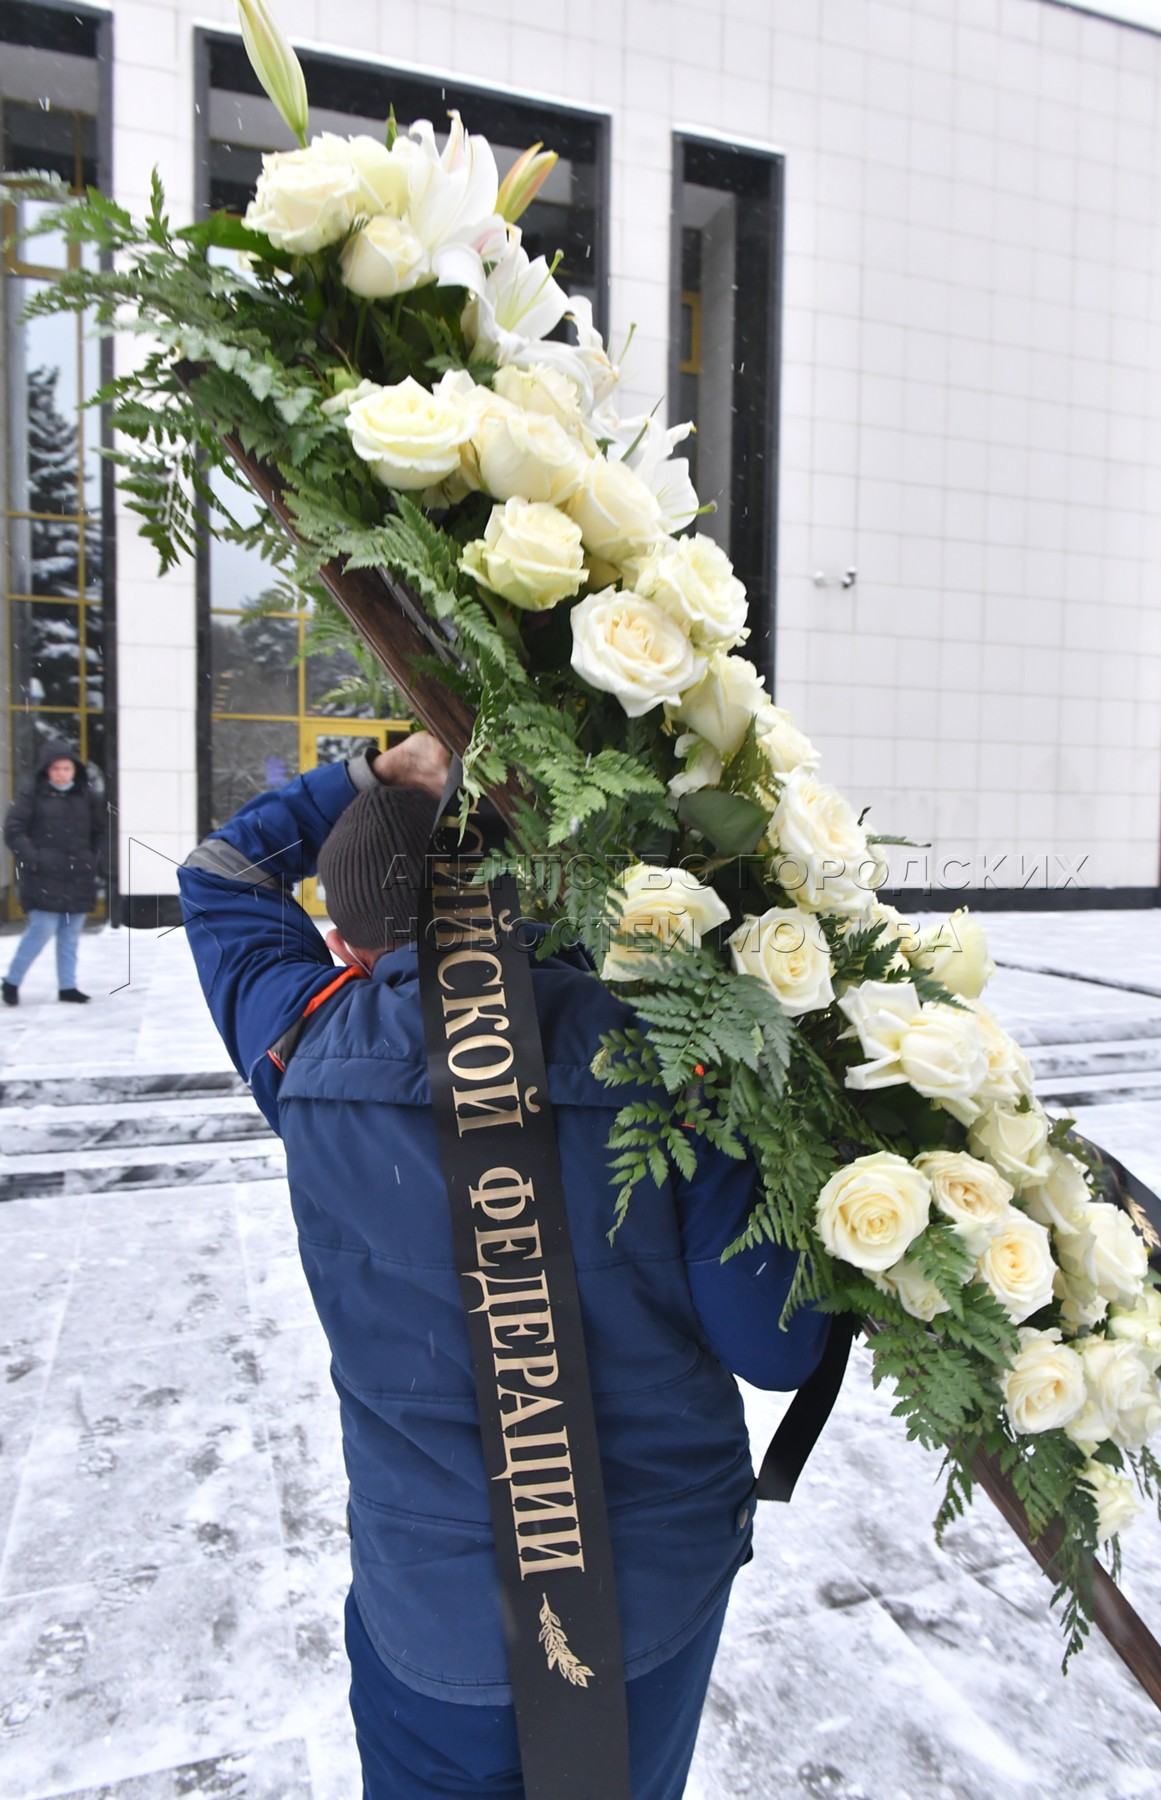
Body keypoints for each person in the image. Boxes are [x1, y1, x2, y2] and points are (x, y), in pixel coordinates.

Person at [178, 733, 834, 1800]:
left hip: (430, 1608)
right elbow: (775, 1345)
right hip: (644, 1598)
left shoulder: (301, 1053)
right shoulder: (669, 1055)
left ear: (341, 934)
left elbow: (217, 876)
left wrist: (370, 782)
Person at [3, 738, 106, 1006]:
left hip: (78, 874)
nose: (61, 774)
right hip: (43, 875)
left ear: (74, 771)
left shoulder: (87, 796)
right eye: (56, 768)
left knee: (71, 934)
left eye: (66, 768)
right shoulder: (32, 795)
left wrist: (92, 859)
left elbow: (100, 832)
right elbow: (14, 830)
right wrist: (33, 858)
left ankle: (68, 986)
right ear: (47, 770)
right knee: (42, 929)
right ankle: (12, 981)